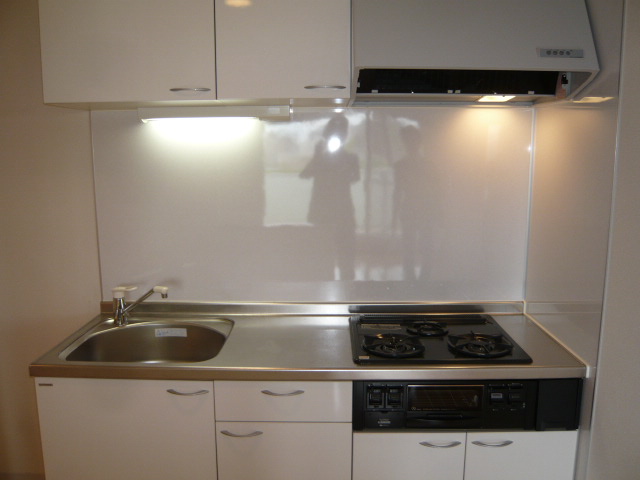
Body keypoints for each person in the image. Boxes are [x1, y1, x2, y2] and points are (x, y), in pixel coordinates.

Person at [300, 116, 360, 280]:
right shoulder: (321, 158)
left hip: (341, 212)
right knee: (323, 257)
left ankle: (348, 293)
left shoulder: (350, 158)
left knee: (346, 258)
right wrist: (317, 156)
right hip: (325, 213)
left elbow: (354, 177)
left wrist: (337, 164)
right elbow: (304, 174)